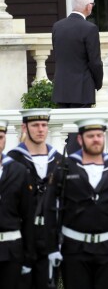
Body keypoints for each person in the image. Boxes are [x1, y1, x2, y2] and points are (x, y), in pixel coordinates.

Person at [45, 118, 108, 289]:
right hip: (74, 249)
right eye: (91, 135)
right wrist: (52, 247)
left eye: (99, 135)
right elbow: (50, 208)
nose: (96, 139)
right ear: (80, 139)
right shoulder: (65, 167)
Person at [7, 109, 62, 289]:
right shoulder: (13, 161)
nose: (41, 129)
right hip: (22, 234)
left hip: (50, 234)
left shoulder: (59, 161)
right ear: (24, 127)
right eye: (35, 125)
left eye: (44, 125)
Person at [52, 0, 103, 153]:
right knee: (79, 134)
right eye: (93, 4)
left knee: (65, 134)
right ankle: (73, 168)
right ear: (88, 6)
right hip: (81, 88)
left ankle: (65, 167)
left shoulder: (57, 27)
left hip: (62, 88)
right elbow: (95, 62)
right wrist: (98, 83)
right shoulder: (90, 28)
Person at [0, 120, 34, 289]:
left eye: (0, 137)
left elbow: (27, 215)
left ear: (5, 139)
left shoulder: (18, 171)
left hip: (12, 250)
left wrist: (28, 256)